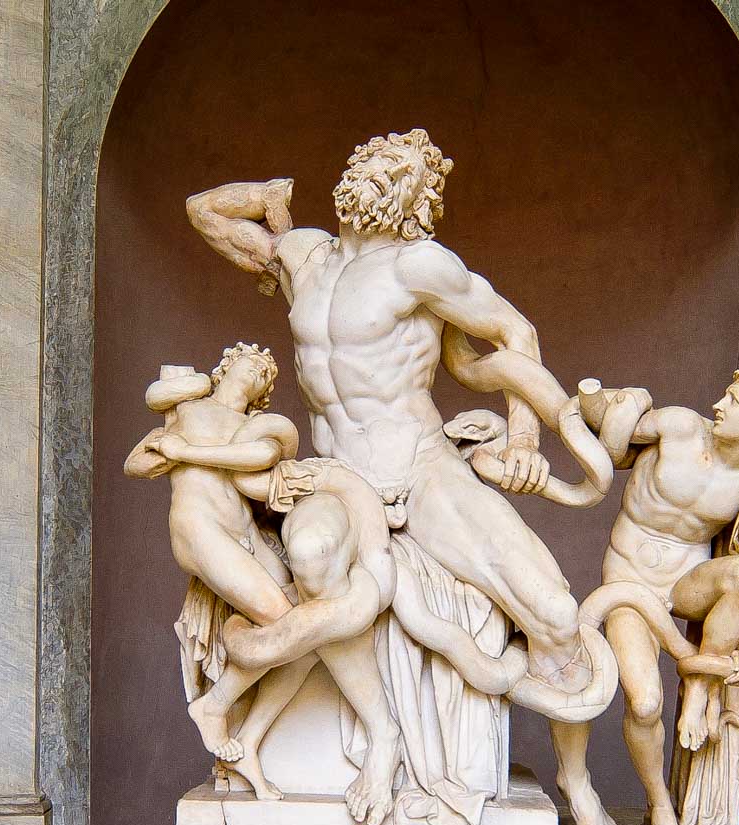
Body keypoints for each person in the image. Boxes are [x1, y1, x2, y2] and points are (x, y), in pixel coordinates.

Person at [185, 129, 614, 718]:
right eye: (375, 159)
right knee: (309, 557)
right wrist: (267, 195)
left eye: (402, 170)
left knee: (556, 615)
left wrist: (522, 438)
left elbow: (516, 332)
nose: (383, 172)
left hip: (420, 469)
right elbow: (204, 212)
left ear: (419, 202)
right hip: (337, 476)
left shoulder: (420, 266)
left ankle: (564, 769)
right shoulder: (303, 256)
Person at [124, 343, 401, 825]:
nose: (258, 373)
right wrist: (169, 445)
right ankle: (214, 706)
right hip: (200, 528)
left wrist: (187, 452)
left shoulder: (260, 429)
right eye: (252, 364)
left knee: (310, 630)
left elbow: (259, 460)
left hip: (248, 537)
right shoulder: (187, 408)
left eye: (265, 375)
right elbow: (137, 465)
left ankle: (248, 740)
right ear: (226, 364)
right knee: (289, 623)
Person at [551, 367, 739, 825]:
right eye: (726, 394)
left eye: (735, 401)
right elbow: (607, 438)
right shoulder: (679, 426)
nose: (720, 405)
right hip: (628, 584)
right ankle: (659, 805)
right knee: (644, 704)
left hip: (685, 586)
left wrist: (736, 650)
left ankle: (700, 683)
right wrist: (618, 398)